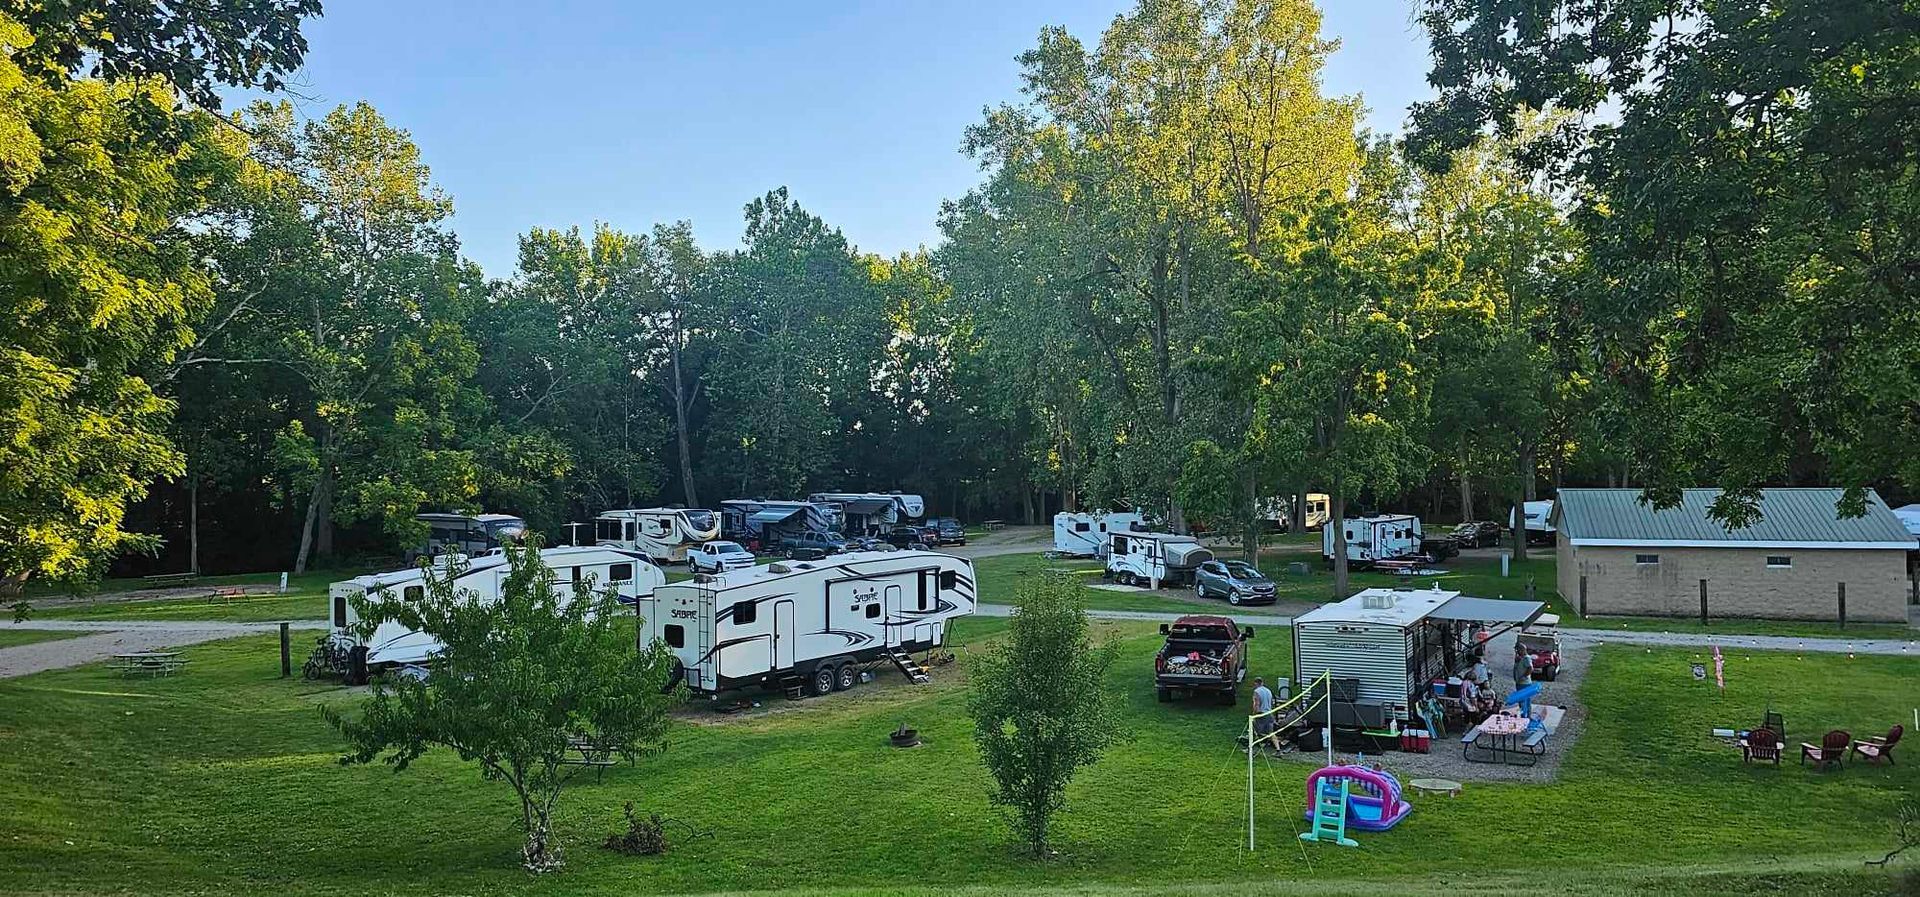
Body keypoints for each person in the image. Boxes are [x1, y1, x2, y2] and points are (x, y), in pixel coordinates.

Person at [1251, 677, 1277, 749]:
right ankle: (1278, 749)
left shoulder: (1256, 692)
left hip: (1261, 714)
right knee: (1271, 733)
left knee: (1257, 731)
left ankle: (1255, 747)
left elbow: (1256, 704)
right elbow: (1271, 703)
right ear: (1262, 683)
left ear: (1256, 683)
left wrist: (1254, 714)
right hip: (1269, 713)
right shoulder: (1268, 691)